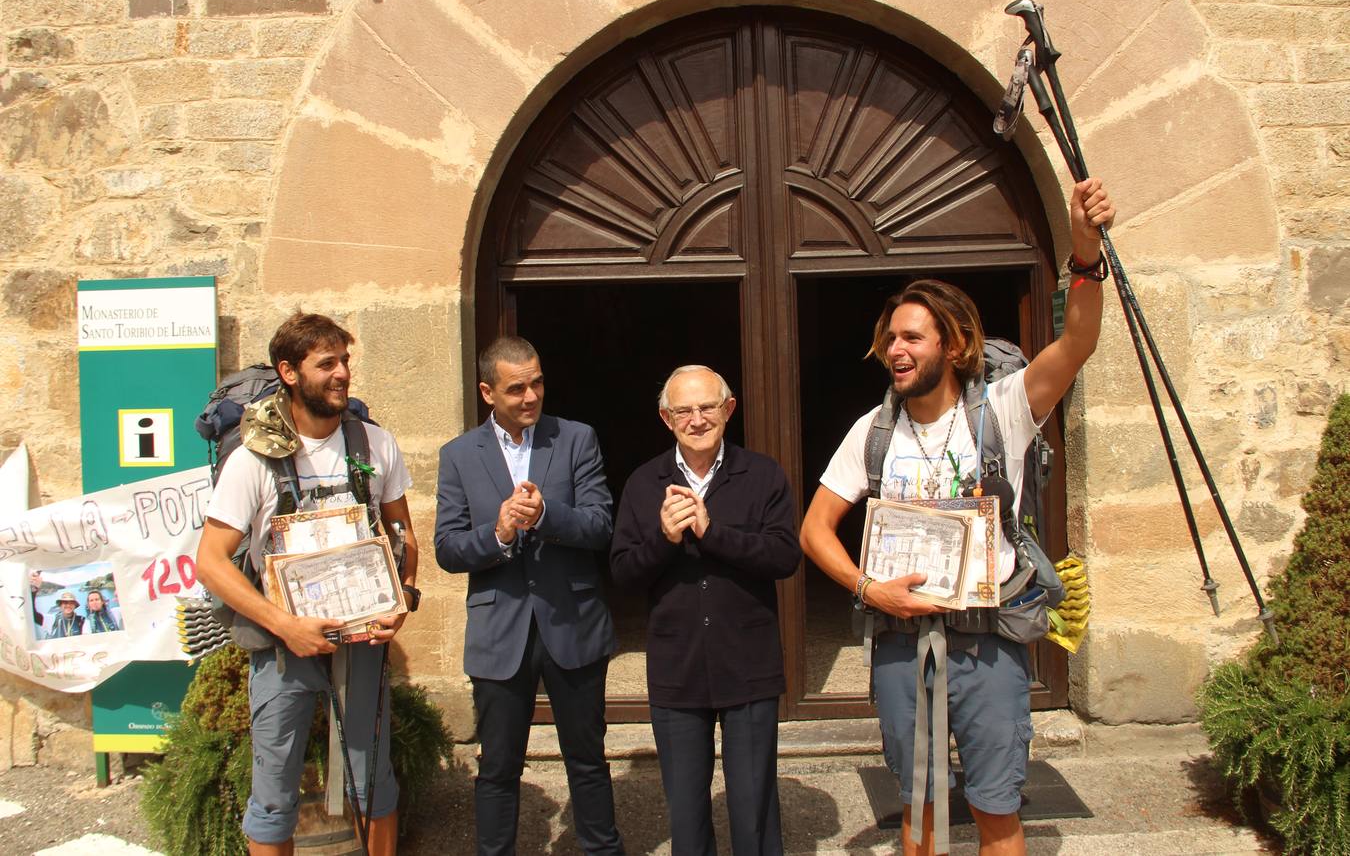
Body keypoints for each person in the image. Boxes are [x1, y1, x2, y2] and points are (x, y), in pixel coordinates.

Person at [800, 178, 1115, 856]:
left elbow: (1078, 342)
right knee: (917, 804)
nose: (897, 350)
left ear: (955, 342)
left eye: (913, 336)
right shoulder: (872, 431)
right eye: (890, 339)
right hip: (898, 641)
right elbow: (813, 530)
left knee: (994, 806)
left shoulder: (1001, 409)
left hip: (986, 639)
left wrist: (1084, 254)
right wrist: (866, 589)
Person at [197, 312, 418, 856]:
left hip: (365, 640)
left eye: (345, 360)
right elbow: (210, 562)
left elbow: (402, 532)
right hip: (282, 646)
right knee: (274, 797)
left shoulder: (375, 444)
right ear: (289, 372)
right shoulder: (253, 458)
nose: (342, 372)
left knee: (373, 782)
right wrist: (286, 626)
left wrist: (405, 596)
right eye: (327, 363)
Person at [435, 336, 624, 856]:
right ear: (487, 391)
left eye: (537, 382)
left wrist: (545, 516)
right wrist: (496, 534)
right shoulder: (458, 456)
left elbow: (600, 524)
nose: (530, 396)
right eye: (516, 388)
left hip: (573, 621)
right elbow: (447, 549)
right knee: (497, 766)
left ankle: (602, 848)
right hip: (500, 631)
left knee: (587, 758)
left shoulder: (576, 439)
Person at [610, 365, 801, 856]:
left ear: (728, 410)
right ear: (666, 418)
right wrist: (665, 538)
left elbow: (784, 557)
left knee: (754, 808)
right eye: (684, 410)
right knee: (687, 816)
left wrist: (713, 533)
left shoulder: (762, 474)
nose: (697, 419)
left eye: (707, 407)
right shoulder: (643, 483)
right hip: (678, 669)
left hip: (749, 663)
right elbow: (624, 574)